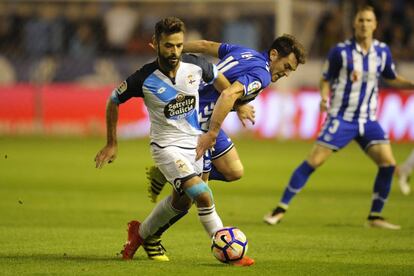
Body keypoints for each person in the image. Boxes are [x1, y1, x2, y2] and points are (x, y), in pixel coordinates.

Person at [94, 17, 253, 266]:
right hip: (166, 147)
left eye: (179, 45)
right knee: (202, 193)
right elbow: (113, 99)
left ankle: (142, 234)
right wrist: (112, 143)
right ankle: (227, 248)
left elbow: (224, 86)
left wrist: (241, 105)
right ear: (154, 44)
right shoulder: (143, 78)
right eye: (169, 46)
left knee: (182, 202)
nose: (175, 52)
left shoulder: (197, 65)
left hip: (195, 145)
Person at [263, 5, 414, 230]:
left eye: (368, 20)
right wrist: (324, 98)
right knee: (314, 161)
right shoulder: (341, 52)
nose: (364, 24)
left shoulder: (382, 52)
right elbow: (325, 79)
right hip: (342, 118)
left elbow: (391, 77)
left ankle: (375, 217)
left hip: (368, 119)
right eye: (361, 20)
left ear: (375, 25)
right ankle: (279, 209)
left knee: (388, 165)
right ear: (355, 24)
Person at [147, 34, 307, 202]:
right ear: (273, 54)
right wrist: (213, 134)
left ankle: (173, 173)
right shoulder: (263, 74)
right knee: (196, 197)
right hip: (197, 119)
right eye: (286, 66)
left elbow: (205, 45)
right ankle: (176, 182)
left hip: (201, 110)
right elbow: (228, 94)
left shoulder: (244, 52)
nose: (287, 73)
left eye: (291, 70)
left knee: (233, 171)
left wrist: (173, 49)